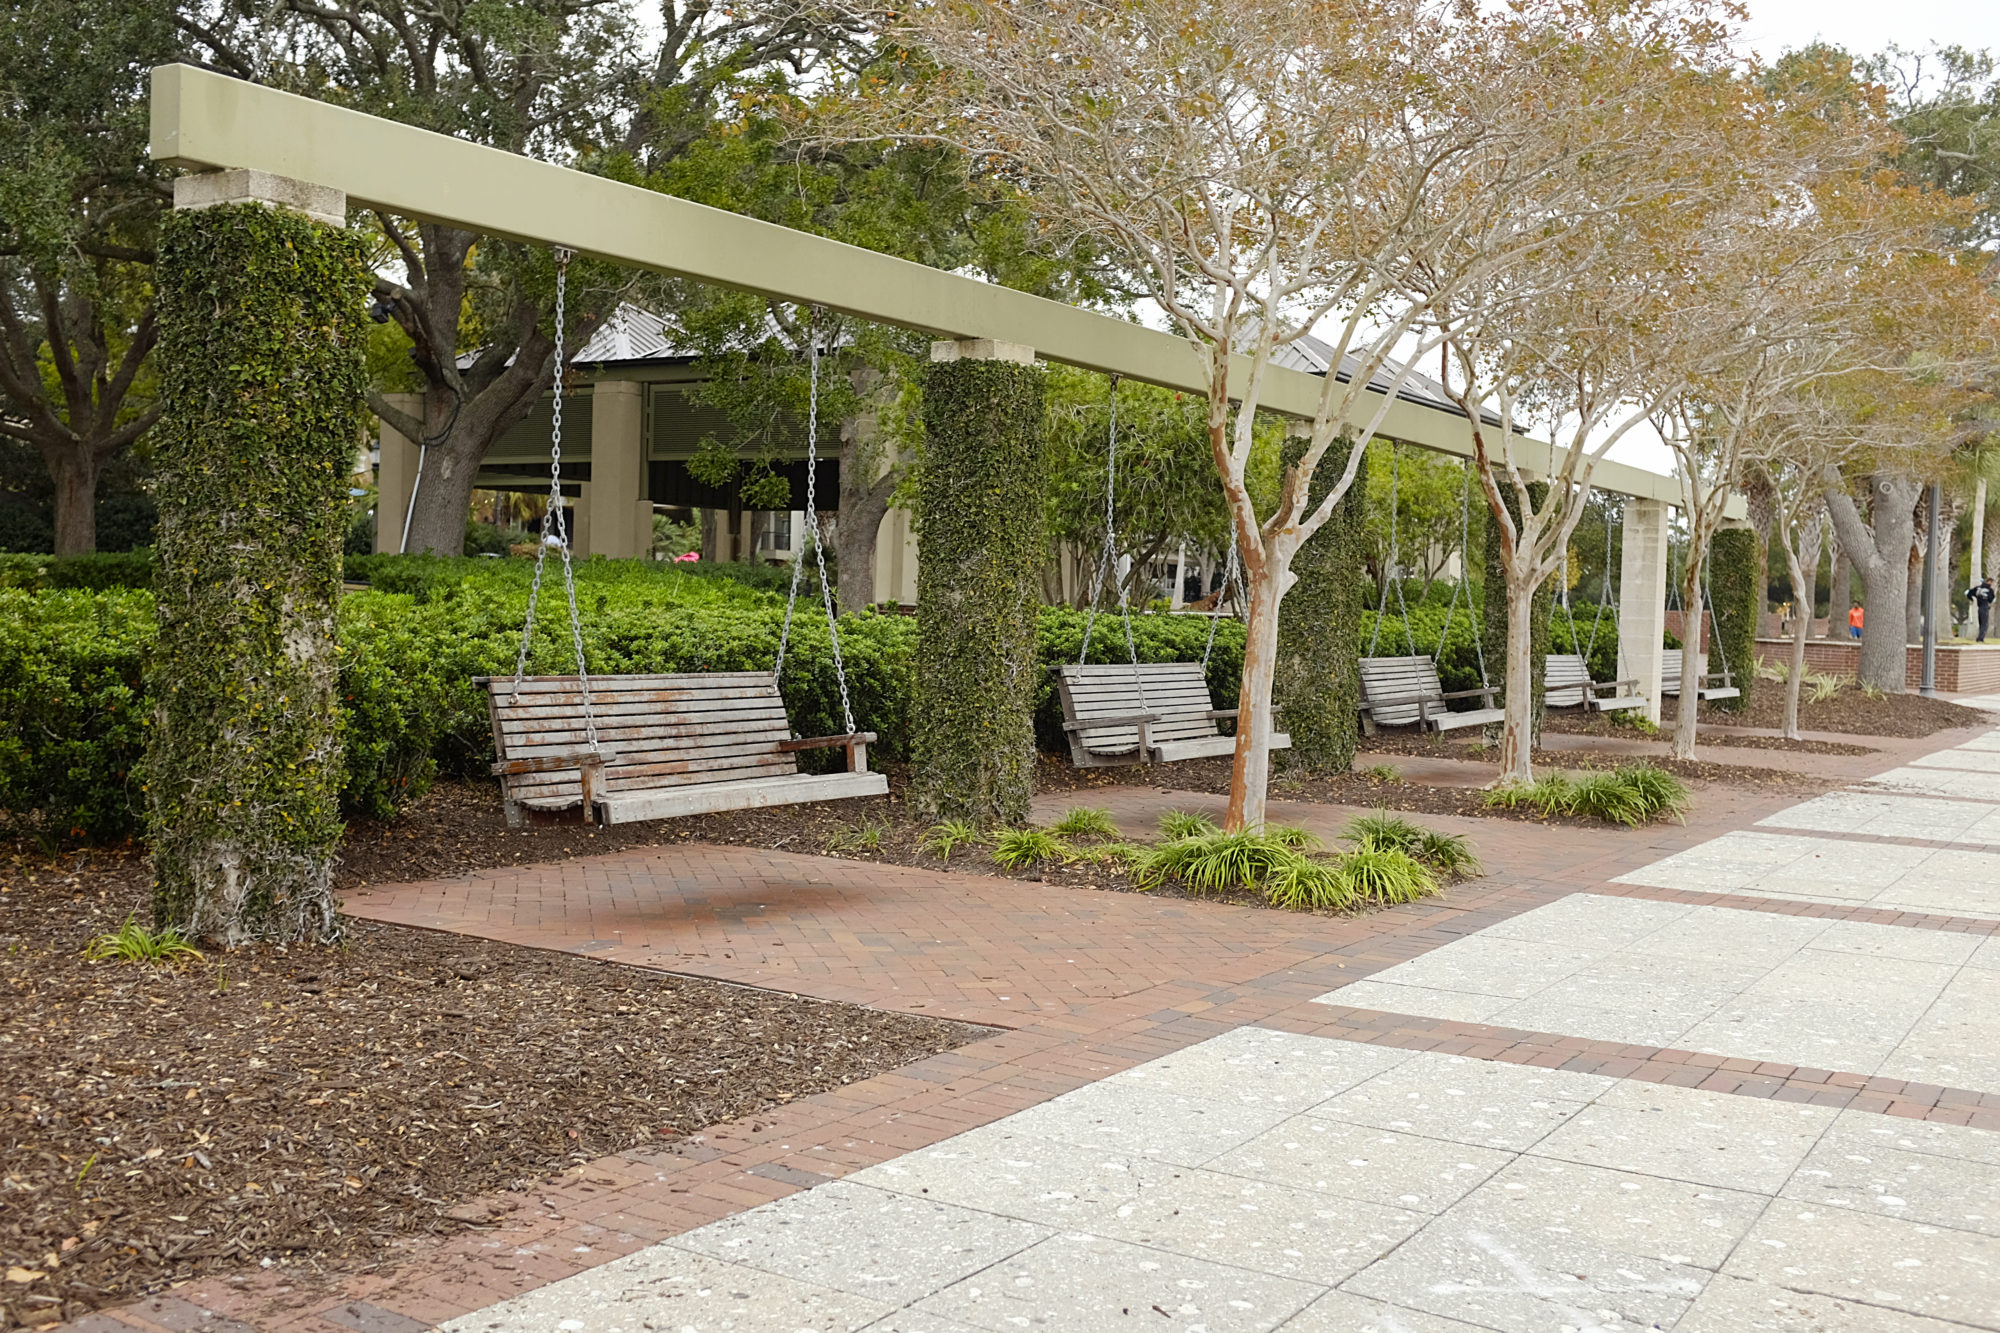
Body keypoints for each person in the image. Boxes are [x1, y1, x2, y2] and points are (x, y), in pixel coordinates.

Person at [1968, 577, 1996, 643]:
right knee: (1985, 624)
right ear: (1990, 582)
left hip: (1979, 608)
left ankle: (1980, 638)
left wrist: (1971, 599)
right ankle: (1980, 639)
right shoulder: (1990, 590)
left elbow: (1969, 593)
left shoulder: (1977, 588)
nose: (1992, 584)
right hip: (1985, 607)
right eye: (1992, 582)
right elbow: (1991, 599)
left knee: (1981, 623)